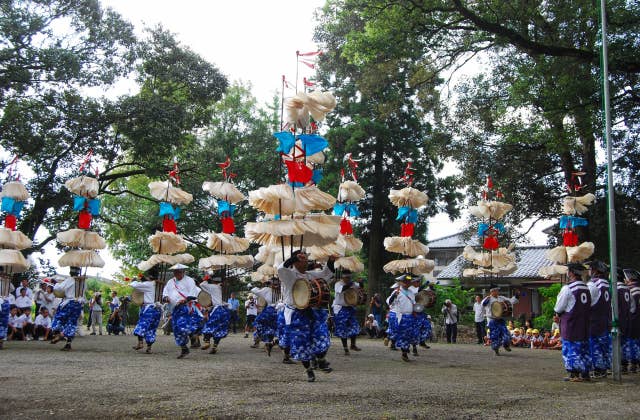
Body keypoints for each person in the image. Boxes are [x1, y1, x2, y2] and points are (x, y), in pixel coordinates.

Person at [277, 250, 335, 382]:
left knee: (322, 335)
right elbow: (281, 268)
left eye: (306, 258)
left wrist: (331, 260)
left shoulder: (310, 275)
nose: (306, 261)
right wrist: (293, 258)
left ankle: (320, 359)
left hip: (312, 311)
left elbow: (326, 274)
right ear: (297, 261)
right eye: (303, 259)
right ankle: (308, 370)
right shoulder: (289, 275)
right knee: (301, 342)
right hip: (296, 312)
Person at [554, 263, 592, 382]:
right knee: (584, 349)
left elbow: (559, 308)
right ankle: (585, 373)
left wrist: (557, 314)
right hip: (584, 324)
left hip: (571, 324)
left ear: (571, 273)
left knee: (571, 349)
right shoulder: (586, 288)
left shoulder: (568, 288)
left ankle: (574, 374)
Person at [162, 264, 203, 359]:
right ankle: (184, 348)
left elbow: (193, 293)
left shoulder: (189, 280)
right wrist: (166, 297)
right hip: (174, 308)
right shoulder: (170, 282)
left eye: (179, 271)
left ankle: (193, 335)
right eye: (175, 272)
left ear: (183, 271)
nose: (177, 273)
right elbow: (165, 292)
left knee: (182, 325)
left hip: (186, 307)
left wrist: (185, 300)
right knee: (176, 329)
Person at [585, 260, 612, 378]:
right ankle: (605, 368)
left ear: (595, 270)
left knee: (594, 345)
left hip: (594, 318)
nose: (589, 271)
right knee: (604, 345)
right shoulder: (606, 283)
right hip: (604, 318)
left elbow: (588, 302)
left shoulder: (594, 284)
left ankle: (598, 369)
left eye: (590, 269)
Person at [50, 267, 85, 351]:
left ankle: (58, 334)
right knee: (72, 323)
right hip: (78, 304)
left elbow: (58, 289)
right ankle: (68, 343)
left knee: (59, 318)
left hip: (69, 303)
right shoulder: (83, 282)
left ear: (70, 272)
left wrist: (56, 283)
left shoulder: (69, 280)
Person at [130, 269, 163, 353]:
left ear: (149, 277)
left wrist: (133, 280)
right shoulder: (160, 285)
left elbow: (134, 285)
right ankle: (149, 348)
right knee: (152, 328)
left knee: (141, 325)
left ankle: (140, 343)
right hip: (158, 309)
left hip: (149, 309)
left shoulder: (149, 284)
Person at [482, 284, 519, 356]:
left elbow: (511, 301)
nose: (497, 291)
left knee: (506, 334)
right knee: (495, 336)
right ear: (492, 291)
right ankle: (496, 350)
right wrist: (487, 298)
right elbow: (483, 304)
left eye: (497, 290)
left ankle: (506, 345)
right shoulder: (488, 299)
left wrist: (516, 295)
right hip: (492, 320)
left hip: (501, 319)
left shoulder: (501, 298)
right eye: (496, 290)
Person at [387, 274, 416, 362]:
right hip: (402, 317)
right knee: (403, 335)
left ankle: (405, 349)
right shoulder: (397, 291)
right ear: (401, 283)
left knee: (409, 335)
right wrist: (394, 295)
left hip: (410, 316)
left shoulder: (411, 292)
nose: (407, 283)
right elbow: (389, 302)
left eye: (408, 281)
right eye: (405, 281)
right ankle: (404, 353)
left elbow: (413, 303)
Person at [332, 269, 361, 355]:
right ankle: (345, 348)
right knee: (342, 328)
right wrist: (350, 284)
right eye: (346, 278)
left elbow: (360, 286)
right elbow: (342, 289)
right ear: (343, 277)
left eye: (349, 277)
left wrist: (360, 282)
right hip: (340, 308)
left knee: (354, 325)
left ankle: (353, 344)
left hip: (349, 307)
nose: (348, 279)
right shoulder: (338, 284)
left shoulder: (353, 283)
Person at [199, 275, 231, 355]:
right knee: (219, 329)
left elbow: (202, 285)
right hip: (223, 311)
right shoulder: (219, 288)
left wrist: (206, 278)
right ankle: (215, 346)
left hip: (217, 310)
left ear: (213, 281)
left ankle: (207, 342)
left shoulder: (212, 287)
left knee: (208, 325)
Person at [251, 278, 279, 355]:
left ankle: (267, 343)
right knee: (263, 325)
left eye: (276, 284)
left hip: (276, 311)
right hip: (273, 311)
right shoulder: (268, 289)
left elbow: (254, 291)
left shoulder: (280, 290)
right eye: (274, 284)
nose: (275, 286)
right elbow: (254, 291)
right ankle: (264, 342)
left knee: (272, 328)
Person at [623, 268, 640, 373]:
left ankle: (633, 363)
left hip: (633, 319)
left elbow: (631, 307)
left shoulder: (631, 289)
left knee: (633, 341)